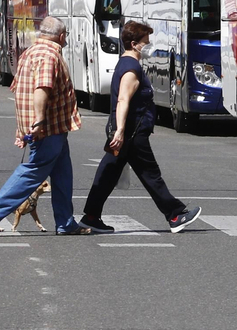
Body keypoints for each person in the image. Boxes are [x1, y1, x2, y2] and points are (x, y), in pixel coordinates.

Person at [80, 21, 201, 234]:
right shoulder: (131, 68)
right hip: (131, 132)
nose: (148, 45)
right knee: (150, 174)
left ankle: (91, 216)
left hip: (127, 131)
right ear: (134, 44)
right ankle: (175, 214)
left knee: (108, 173)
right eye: (146, 42)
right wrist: (119, 131)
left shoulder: (126, 63)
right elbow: (123, 100)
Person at [0, 15, 91, 236]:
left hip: (52, 127)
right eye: (65, 36)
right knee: (34, 171)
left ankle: (65, 222)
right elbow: (41, 89)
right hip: (48, 127)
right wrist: (38, 122)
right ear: (61, 36)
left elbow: (21, 92)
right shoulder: (49, 55)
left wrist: (21, 127)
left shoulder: (30, 52)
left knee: (62, 174)